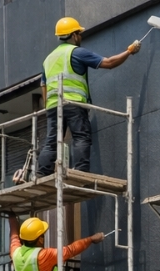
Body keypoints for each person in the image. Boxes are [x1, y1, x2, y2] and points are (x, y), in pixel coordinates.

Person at [36, 17, 140, 177]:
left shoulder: (48, 59)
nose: (81, 37)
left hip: (52, 107)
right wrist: (129, 51)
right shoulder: (76, 52)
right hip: (73, 104)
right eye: (79, 33)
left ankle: (42, 174)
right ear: (73, 35)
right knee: (81, 136)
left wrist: (48, 106)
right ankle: (80, 171)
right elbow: (109, 63)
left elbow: (43, 84)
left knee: (51, 142)